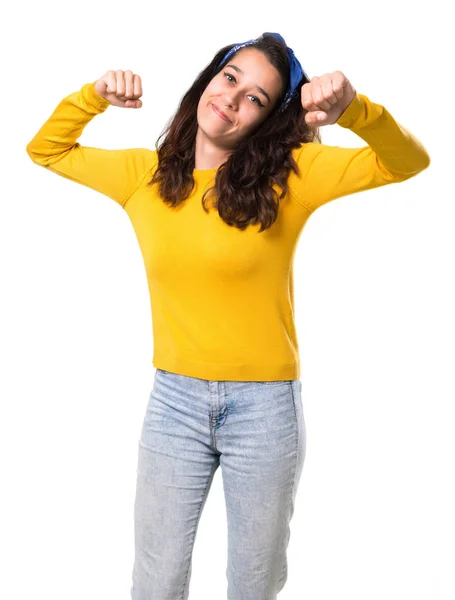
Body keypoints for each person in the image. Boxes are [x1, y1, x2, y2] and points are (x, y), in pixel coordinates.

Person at [25, 31, 430, 600]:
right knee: (156, 580)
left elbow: (409, 162)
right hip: (173, 406)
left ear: (266, 120)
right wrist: (93, 96)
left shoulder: (292, 176)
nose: (234, 98)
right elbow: (46, 150)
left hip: (264, 413)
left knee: (253, 585)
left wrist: (355, 110)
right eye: (231, 77)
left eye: (257, 99)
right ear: (210, 77)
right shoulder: (143, 176)